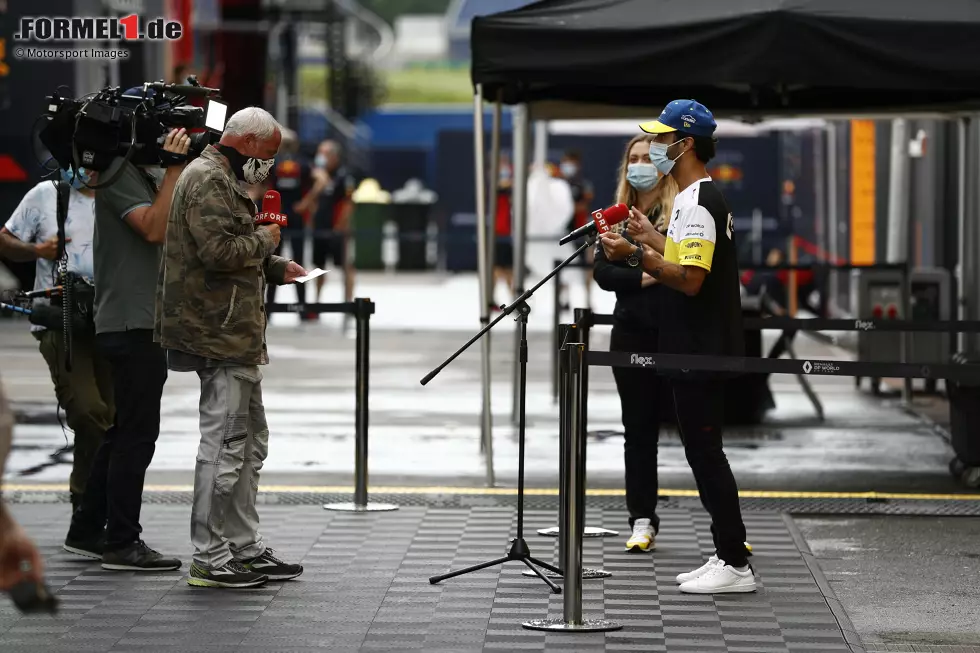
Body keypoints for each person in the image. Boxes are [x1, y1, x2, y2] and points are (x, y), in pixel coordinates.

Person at [600, 99, 754, 593]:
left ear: (685, 144)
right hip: (691, 346)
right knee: (701, 451)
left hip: (699, 347)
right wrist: (650, 240)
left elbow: (689, 280)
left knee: (707, 453)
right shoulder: (692, 200)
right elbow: (686, 259)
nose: (657, 148)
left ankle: (734, 562)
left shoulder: (701, 203)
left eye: (664, 140)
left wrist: (635, 255)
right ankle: (726, 553)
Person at [158, 107, 307, 588]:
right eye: (268, 155)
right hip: (217, 333)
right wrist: (266, 239)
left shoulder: (227, 179)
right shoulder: (208, 178)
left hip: (238, 334)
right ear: (244, 142)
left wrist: (273, 264)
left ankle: (242, 546)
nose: (270, 165)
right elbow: (219, 253)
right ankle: (209, 555)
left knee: (250, 445)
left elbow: (230, 246)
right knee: (223, 446)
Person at [63, 129, 190, 572]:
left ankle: (85, 530)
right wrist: (175, 168)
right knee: (137, 437)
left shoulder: (142, 174)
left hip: (141, 320)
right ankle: (121, 542)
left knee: (123, 431)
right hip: (130, 322)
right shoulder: (118, 175)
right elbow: (153, 228)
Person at [0, 168, 114, 518]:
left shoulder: (124, 192)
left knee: (111, 419)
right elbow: (4, 239)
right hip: (60, 321)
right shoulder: (46, 194)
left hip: (111, 320)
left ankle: (98, 508)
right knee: (88, 411)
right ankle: (86, 507)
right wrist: (38, 249)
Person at [593, 134, 678, 553]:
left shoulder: (681, 209)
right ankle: (642, 519)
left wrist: (638, 265)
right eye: (633, 158)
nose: (639, 164)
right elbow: (603, 275)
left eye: (647, 157)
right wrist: (649, 271)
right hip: (630, 332)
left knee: (700, 433)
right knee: (638, 432)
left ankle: (726, 527)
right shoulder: (616, 214)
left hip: (679, 333)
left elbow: (688, 266)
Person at [295, 139, 357, 320]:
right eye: (319, 153)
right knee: (318, 267)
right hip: (319, 230)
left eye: (325, 154)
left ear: (335, 157)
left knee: (346, 267)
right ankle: (317, 304)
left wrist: (340, 226)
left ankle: (348, 303)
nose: (321, 157)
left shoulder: (345, 176)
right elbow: (312, 201)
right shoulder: (315, 176)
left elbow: (349, 203)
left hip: (337, 231)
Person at [266, 128, 312, 306]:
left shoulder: (276, 163)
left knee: (277, 261)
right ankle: (301, 307)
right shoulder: (301, 163)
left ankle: (271, 306)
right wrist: (306, 203)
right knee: (294, 261)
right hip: (290, 216)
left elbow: (266, 185)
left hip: (281, 216)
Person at [561, 149, 596, 306]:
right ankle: (564, 299)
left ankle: (588, 299)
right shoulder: (559, 184)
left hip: (582, 230)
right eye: (566, 161)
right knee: (563, 266)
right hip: (563, 230)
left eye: (571, 162)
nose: (568, 166)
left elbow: (585, 204)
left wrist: (570, 207)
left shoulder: (584, 184)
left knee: (587, 265)